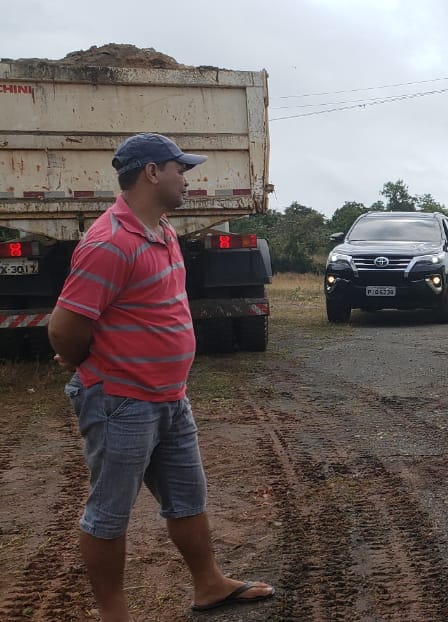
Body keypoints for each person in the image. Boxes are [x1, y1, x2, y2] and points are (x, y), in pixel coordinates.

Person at [47, 133, 275, 620]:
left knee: (188, 497)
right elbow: (65, 328)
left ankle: (209, 584)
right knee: (109, 513)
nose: (186, 178)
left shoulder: (163, 229)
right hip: (121, 401)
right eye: (180, 169)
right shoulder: (109, 242)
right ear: (152, 172)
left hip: (169, 396)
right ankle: (115, 616)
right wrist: (89, 364)